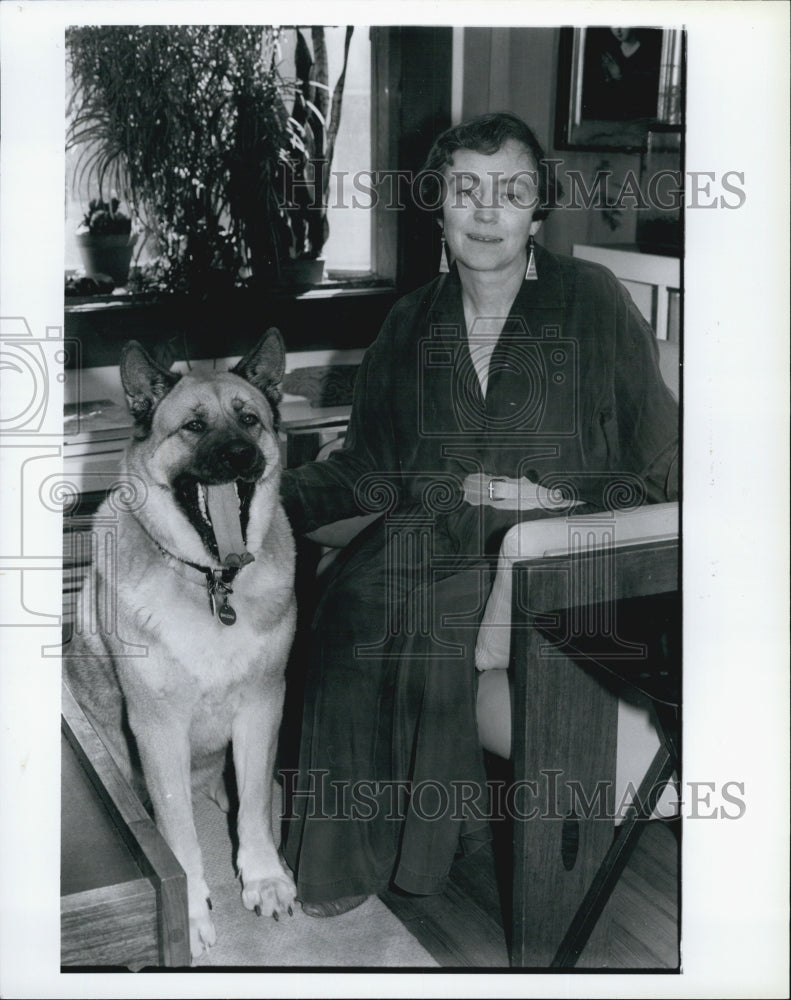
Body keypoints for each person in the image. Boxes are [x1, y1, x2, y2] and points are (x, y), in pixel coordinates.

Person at [279, 112, 679, 916]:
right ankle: (345, 855)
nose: (487, 211)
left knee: (424, 619)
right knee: (350, 604)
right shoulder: (408, 319)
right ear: (439, 205)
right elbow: (367, 466)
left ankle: (435, 840)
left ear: (539, 211)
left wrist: (562, 502)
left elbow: (664, 466)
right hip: (425, 541)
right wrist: (266, 502)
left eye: (512, 192)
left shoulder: (591, 302)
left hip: (560, 560)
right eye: (466, 189)